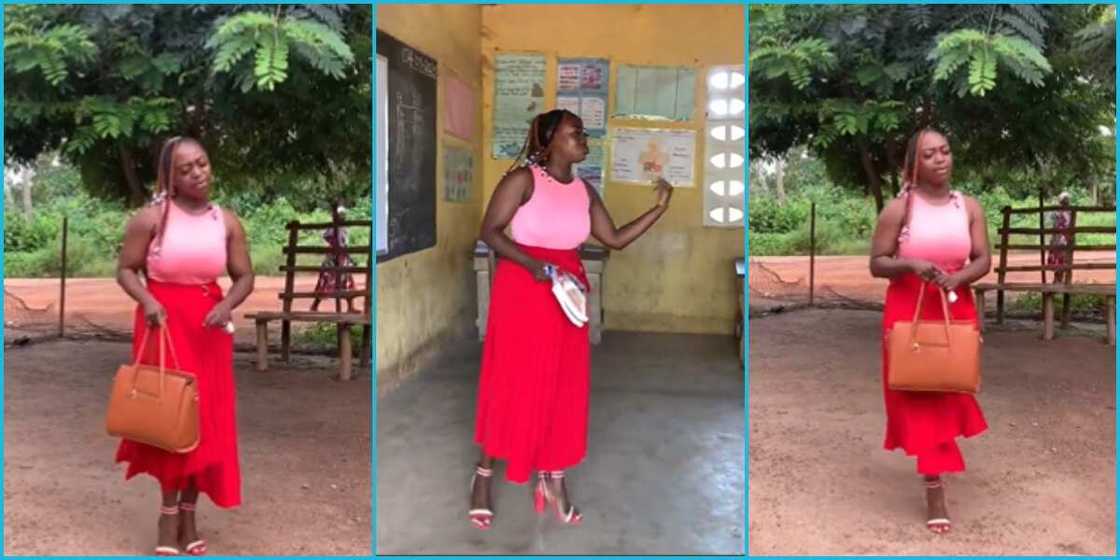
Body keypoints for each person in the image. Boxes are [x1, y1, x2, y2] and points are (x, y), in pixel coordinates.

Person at [468, 109, 672, 529]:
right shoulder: (523, 181)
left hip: (567, 295)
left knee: (562, 385)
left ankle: (553, 476)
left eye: (583, 133)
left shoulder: (584, 190)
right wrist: (532, 264)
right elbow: (490, 231)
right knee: (513, 380)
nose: (584, 139)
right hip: (524, 289)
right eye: (575, 133)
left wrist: (659, 209)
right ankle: (483, 476)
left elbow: (614, 238)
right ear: (550, 141)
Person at [116, 136, 254, 555]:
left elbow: (244, 276)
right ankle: (168, 515)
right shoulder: (152, 218)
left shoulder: (226, 221)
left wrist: (226, 306)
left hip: (208, 330)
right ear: (169, 177)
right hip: (163, 323)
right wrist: (148, 302)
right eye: (185, 168)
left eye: (202, 163)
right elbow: (126, 269)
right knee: (169, 418)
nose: (197, 173)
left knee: (204, 422)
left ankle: (190, 514)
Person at [869, 128, 991, 534]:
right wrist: (911, 264)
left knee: (950, 389)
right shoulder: (899, 209)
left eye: (945, 151)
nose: (940, 159)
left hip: (955, 304)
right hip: (910, 308)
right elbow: (877, 263)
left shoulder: (968, 206)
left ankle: (935, 467)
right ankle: (934, 485)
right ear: (913, 165)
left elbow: (983, 258)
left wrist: (959, 279)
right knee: (920, 393)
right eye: (929, 154)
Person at [310, 200, 357, 312]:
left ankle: (350, 306)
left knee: (347, 280)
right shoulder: (333, 228)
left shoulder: (343, 228)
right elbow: (328, 238)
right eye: (341, 216)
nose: (343, 217)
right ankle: (314, 306)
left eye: (343, 216)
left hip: (343, 257)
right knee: (326, 280)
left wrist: (348, 256)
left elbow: (344, 244)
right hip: (333, 257)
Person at [1046, 191, 1073, 284]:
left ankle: (1059, 280)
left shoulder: (1069, 212)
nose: (1065, 202)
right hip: (1059, 238)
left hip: (1063, 239)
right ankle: (1058, 279)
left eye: (1066, 200)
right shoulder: (1058, 212)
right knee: (1059, 259)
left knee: (1062, 259)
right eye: (1064, 200)